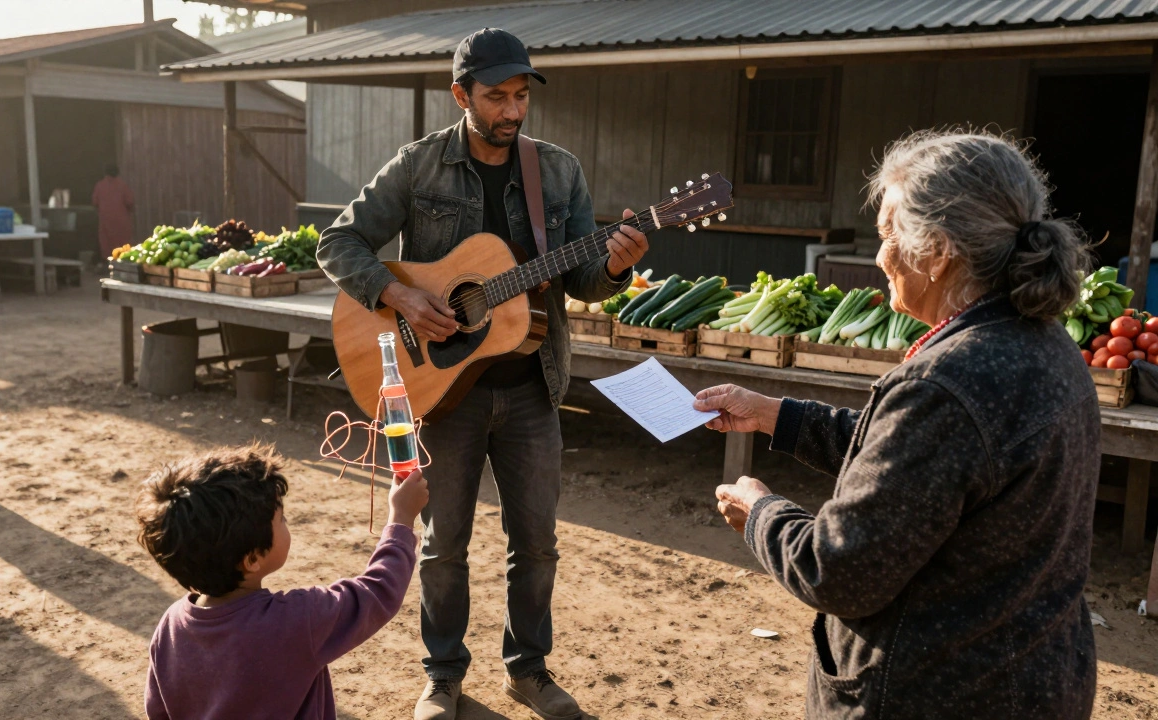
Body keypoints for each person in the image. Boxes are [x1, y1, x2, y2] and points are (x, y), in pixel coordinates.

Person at [694, 130, 1099, 718]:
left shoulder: (947, 383)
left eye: (887, 235)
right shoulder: (1040, 341)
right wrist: (772, 414)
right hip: (1035, 676)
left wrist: (761, 512)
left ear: (936, 251)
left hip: (942, 691)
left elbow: (837, 571)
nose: (880, 256)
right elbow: (920, 466)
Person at [318, 27, 648, 720]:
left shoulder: (556, 172)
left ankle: (528, 670)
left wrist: (614, 264)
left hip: (533, 387)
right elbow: (338, 240)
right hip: (443, 392)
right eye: (496, 96)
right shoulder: (419, 165)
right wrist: (399, 294)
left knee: (537, 545)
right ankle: (442, 677)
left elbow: (584, 279)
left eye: (521, 95)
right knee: (443, 548)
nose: (512, 110)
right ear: (460, 94)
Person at [135, 444, 429, 719]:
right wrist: (400, 518)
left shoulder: (170, 627)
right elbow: (377, 591)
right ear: (251, 560)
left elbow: (159, 712)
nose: (287, 523)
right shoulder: (298, 620)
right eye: (282, 519)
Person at [92, 163, 135, 260]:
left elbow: (95, 202)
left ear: (105, 173)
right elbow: (130, 202)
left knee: (107, 243)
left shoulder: (99, 186)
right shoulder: (123, 185)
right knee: (123, 243)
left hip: (105, 221)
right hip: (122, 221)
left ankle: (109, 264)